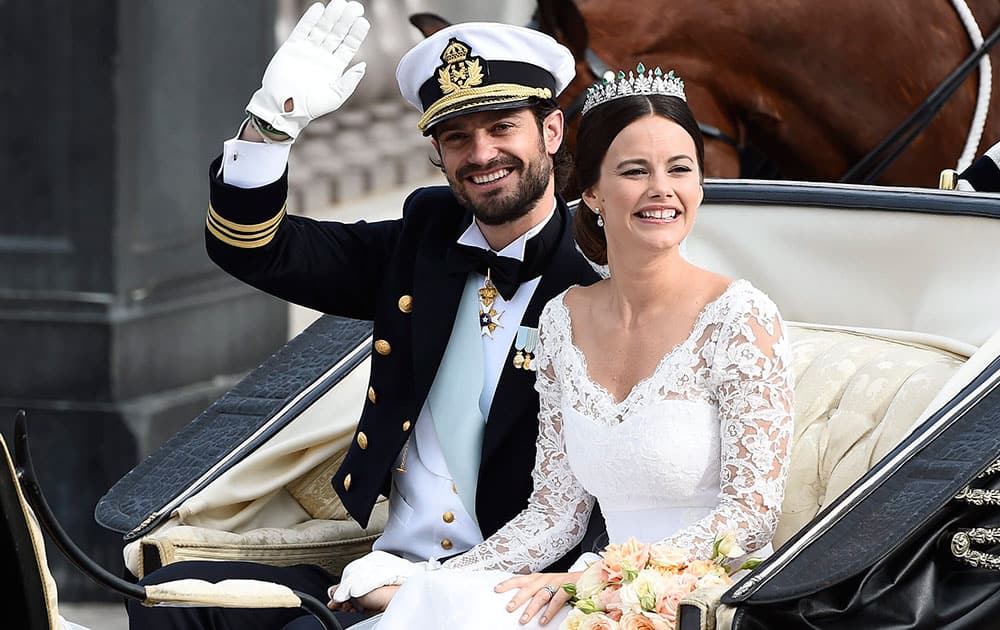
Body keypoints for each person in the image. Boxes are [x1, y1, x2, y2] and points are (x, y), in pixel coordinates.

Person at [125, 3, 599, 629]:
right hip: (380, 564)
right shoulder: (422, 241)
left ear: (553, 132)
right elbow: (256, 248)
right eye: (457, 137)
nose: (482, 153)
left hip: (507, 590)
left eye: (502, 127)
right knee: (172, 600)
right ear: (436, 149)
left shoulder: (597, 277)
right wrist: (272, 125)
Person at [368, 65, 795, 629]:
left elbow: (750, 518)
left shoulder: (741, 317)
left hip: (709, 601)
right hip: (596, 593)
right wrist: (438, 584)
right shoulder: (563, 320)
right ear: (591, 190)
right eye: (635, 171)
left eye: (680, 169)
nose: (661, 189)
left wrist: (600, 578)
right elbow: (556, 515)